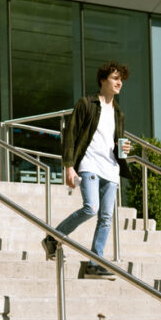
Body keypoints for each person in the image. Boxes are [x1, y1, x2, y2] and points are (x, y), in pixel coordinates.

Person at [43, 61, 132, 279]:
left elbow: (115, 143)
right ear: (103, 80)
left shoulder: (118, 113)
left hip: (111, 169)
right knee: (91, 207)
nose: (119, 82)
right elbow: (71, 135)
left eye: (121, 79)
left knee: (106, 218)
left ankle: (95, 262)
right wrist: (69, 167)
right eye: (114, 78)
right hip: (89, 165)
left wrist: (125, 149)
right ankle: (54, 238)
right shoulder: (86, 103)